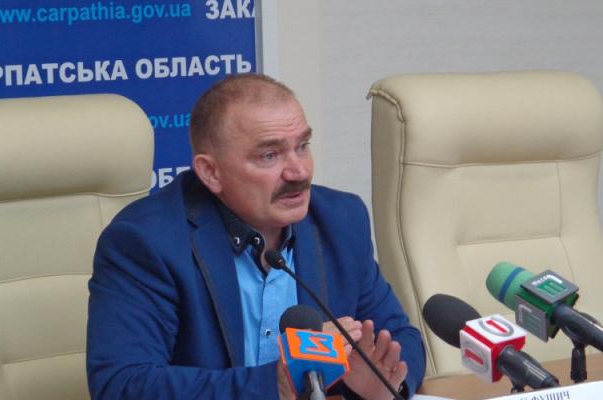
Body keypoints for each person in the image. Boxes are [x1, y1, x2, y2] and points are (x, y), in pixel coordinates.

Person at [87, 73, 426, 399]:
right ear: (211, 172)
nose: (299, 171)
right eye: (269, 155)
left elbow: (401, 339)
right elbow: (123, 385)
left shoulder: (339, 221)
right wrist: (275, 384)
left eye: (302, 146)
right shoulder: (147, 242)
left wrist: (380, 383)